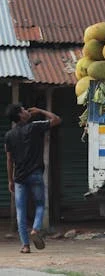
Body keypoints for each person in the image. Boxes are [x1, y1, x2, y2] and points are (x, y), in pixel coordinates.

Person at [5, 104, 61, 254]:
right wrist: (40, 110)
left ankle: (25, 245)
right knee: (40, 205)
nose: (26, 111)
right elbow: (56, 119)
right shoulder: (35, 126)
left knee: (20, 212)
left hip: (19, 178)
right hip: (35, 174)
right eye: (23, 110)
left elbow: (9, 160)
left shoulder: (9, 135)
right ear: (20, 115)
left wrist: (10, 180)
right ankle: (35, 229)